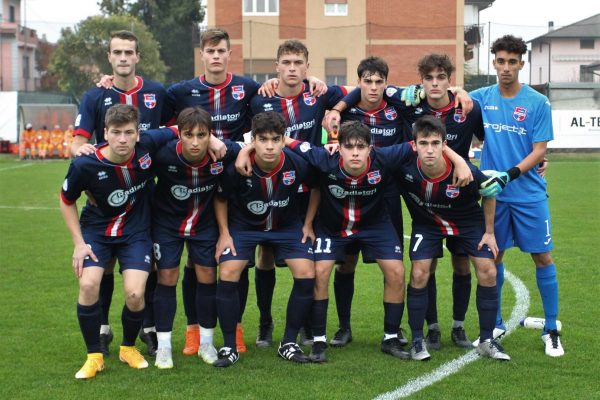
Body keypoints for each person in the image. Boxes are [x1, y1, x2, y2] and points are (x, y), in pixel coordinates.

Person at [283, 120, 473, 363]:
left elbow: (426, 142)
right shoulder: (323, 158)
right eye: (348, 146)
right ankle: (319, 340)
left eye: (360, 147)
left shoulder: (385, 158)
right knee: (320, 271)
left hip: (375, 225)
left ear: (370, 148)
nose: (354, 152)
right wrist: (247, 148)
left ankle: (390, 337)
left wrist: (457, 160)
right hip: (333, 227)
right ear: (337, 147)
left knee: (396, 271)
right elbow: (287, 141)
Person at [72, 30, 170, 358]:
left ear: (138, 57)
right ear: (110, 57)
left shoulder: (157, 92)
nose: (124, 58)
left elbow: (176, 130)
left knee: (148, 264)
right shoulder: (95, 96)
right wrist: (82, 150)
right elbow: (79, 141)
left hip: (148, 192)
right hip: (108, 191)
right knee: (106, 264)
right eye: (118, 52)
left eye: (129, 52)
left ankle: (150, 328)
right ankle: (101, 328)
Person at [59, 104, 177, 379]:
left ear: (138, 133)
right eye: (116, 133)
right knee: (88, 284)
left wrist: (219, 141)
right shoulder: (85, 164)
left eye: (128, 133)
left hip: (135, 233)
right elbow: (66, 201)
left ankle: (127, 348)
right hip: (96, 232)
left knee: (135, 294)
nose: (122, 139)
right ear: (105, 133)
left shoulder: (148, 145)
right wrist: (78, 243)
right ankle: (94, 356)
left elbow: (178, 129)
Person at [248, 39, 348, 348]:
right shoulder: (259, 99)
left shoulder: (318, 94)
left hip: (309, 188)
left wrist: (334, 108)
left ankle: (306, 322)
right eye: (286, 63)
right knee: (265, 252)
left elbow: (355, 92)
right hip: (272, 187)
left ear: (307, 67)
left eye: (298, 63)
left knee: (306, 253)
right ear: (276, 67)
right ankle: (265, 322)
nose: (292, 68)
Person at [473, 35, 564, 357]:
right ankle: (495, 323)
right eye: (500, 61)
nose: (506, 67)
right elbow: (447, 100)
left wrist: (510, 173)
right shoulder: (480, 98)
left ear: (521, 64)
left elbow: (540, 149)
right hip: (494, 198)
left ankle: (551, 328)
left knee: (542, 257)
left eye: (512, 61)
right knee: (493, 257)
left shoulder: (537, 103)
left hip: (529, 196)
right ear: (493, 62)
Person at [397, 115, 509, 361]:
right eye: (423, 143)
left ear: (444, 145)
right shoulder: (404, 167)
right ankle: (419, 339)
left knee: (487, 270)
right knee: (419, 272)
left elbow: (490, 190)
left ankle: (484, 338)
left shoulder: (464, 171)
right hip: (428, 225)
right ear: (414, 145)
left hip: (467, 222)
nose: (429, 149)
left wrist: (489, 232)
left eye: (435, 143)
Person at [213, 111, 316, 367]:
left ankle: (289, 342)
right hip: (244, 227)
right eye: (263, 139)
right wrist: (224, 234)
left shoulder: (297, 163)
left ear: (284, 140)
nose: (269, 146)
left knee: (306, 272)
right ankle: (229, 346)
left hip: (286, 226)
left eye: (275, 139)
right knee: (228, 271)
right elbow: (221, 197)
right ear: (253, 141)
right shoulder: (238, 166)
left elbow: (317, 187)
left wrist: (308, 223)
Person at [150, 106, 241, 369]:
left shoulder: (222, 153)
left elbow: (247, 147)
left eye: (202, 135)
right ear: (179, 134)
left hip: (204, 224)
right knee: (167, 277)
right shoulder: (164, 154)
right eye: (188, 135)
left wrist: (243, 151)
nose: (195, 141)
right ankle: (164, 347)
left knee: (207, 277)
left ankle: (206, 343)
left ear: (210, 135)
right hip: (167, 224)